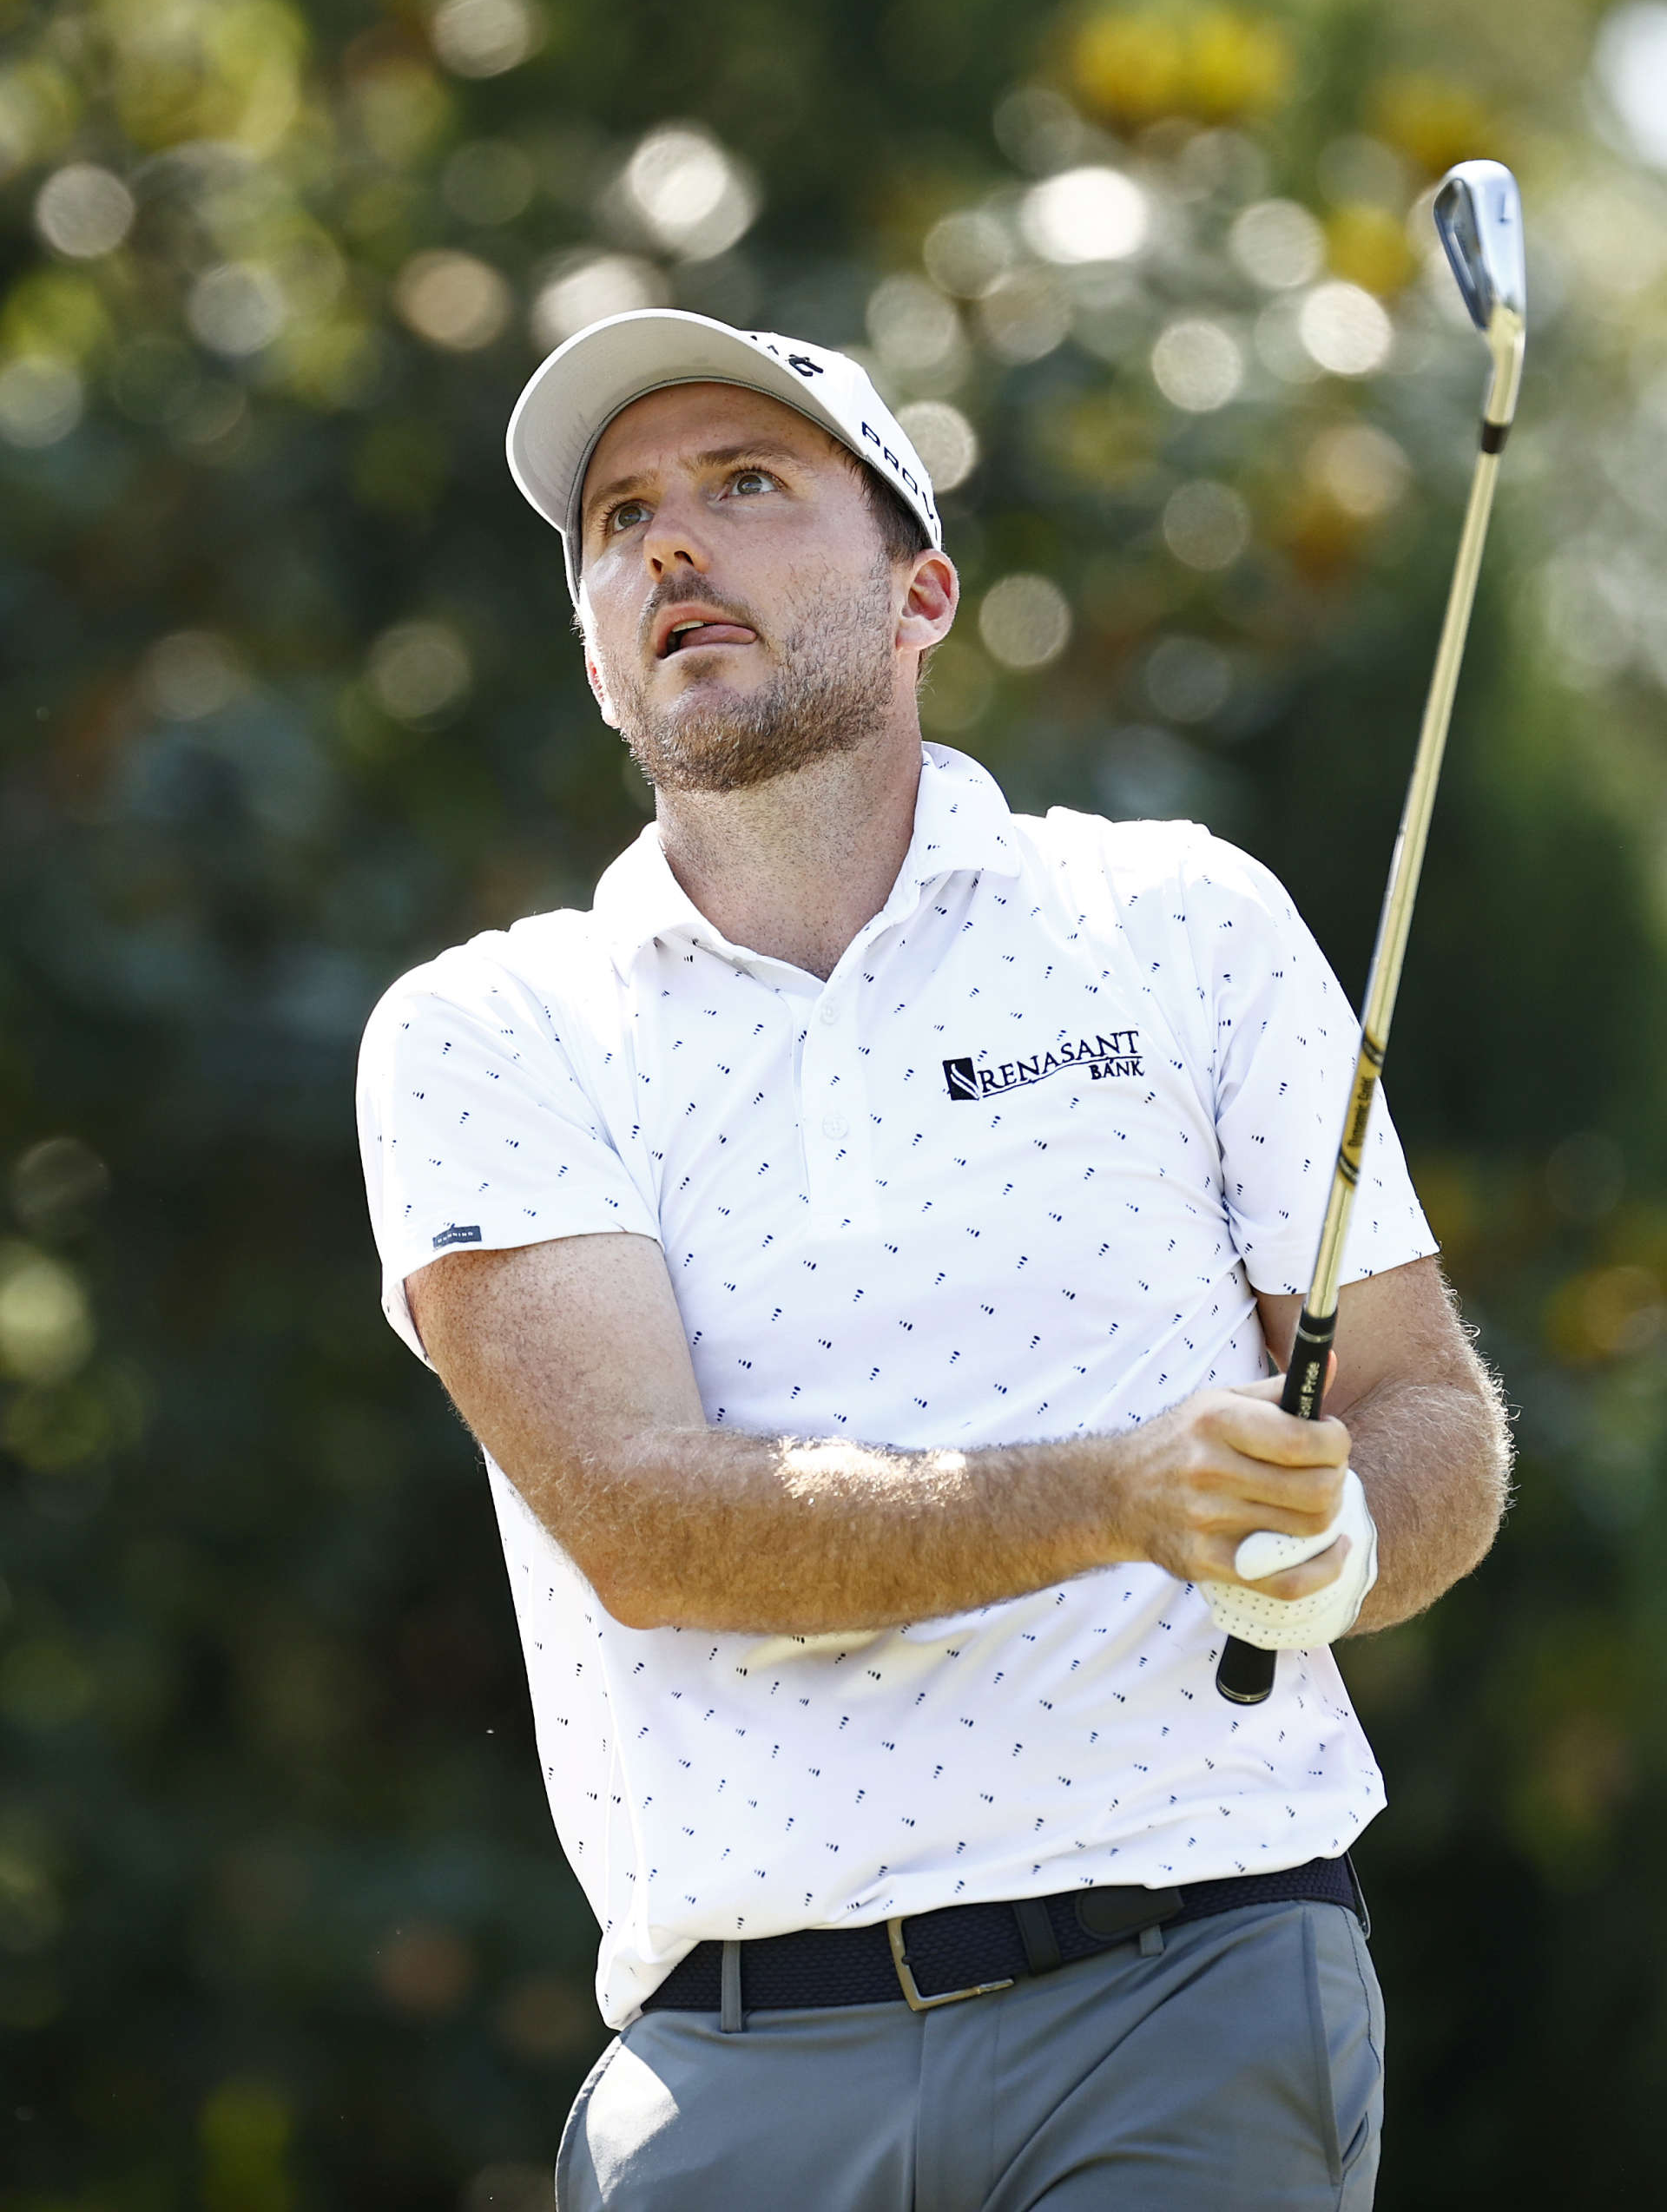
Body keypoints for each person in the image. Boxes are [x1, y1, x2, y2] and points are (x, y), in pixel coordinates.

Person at [355, 310, 1511, 2211]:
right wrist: (1123, 1497)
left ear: (921, 594)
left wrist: (1348, 1533)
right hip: (732, 2057)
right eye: (620, 518)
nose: (669, 541)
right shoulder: (489, 1031)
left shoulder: (1180, 920)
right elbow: (643, 1528)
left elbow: (1423, 1407)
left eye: (747, 483)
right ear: (593, 645)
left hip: (1194, 1975)